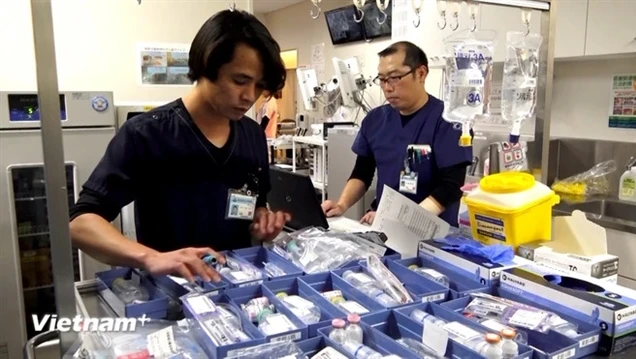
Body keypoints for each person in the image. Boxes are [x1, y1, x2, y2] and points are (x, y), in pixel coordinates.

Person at [69, 10, 290, 283]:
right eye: (240, 81)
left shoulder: (253, 134)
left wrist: (262, 221)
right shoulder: (148, 134)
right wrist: (151, 257)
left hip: (238, 288)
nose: (249, 97)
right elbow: (81, 223)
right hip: (172, 293)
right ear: (207, 66)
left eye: (259, 86)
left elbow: (253, 204)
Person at [322, 41, 472, 227]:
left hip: (432, 233)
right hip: (382, 225)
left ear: (421, 73)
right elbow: (362, 173)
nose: (387, 87)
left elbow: (451, 186)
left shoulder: (448, 121)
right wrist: (341, 204)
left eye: (394, 78)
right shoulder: (375, 120)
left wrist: (402, 222)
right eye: (382, 80)